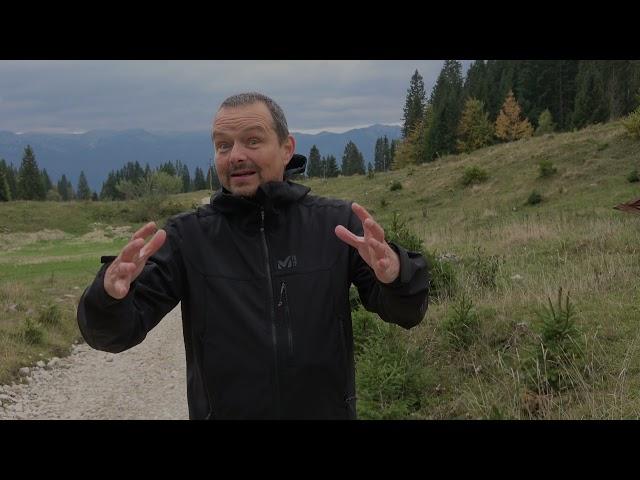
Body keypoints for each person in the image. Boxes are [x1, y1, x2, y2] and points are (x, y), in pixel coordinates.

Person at [77, 92, 429, 420]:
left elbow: (408, 312)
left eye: (253, 140)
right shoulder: (187, 237)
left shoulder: (336, 225)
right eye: (223, 145)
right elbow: (112, 335)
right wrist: (108, 297)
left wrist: (396, 275)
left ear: (287, 148)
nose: (236, 155)